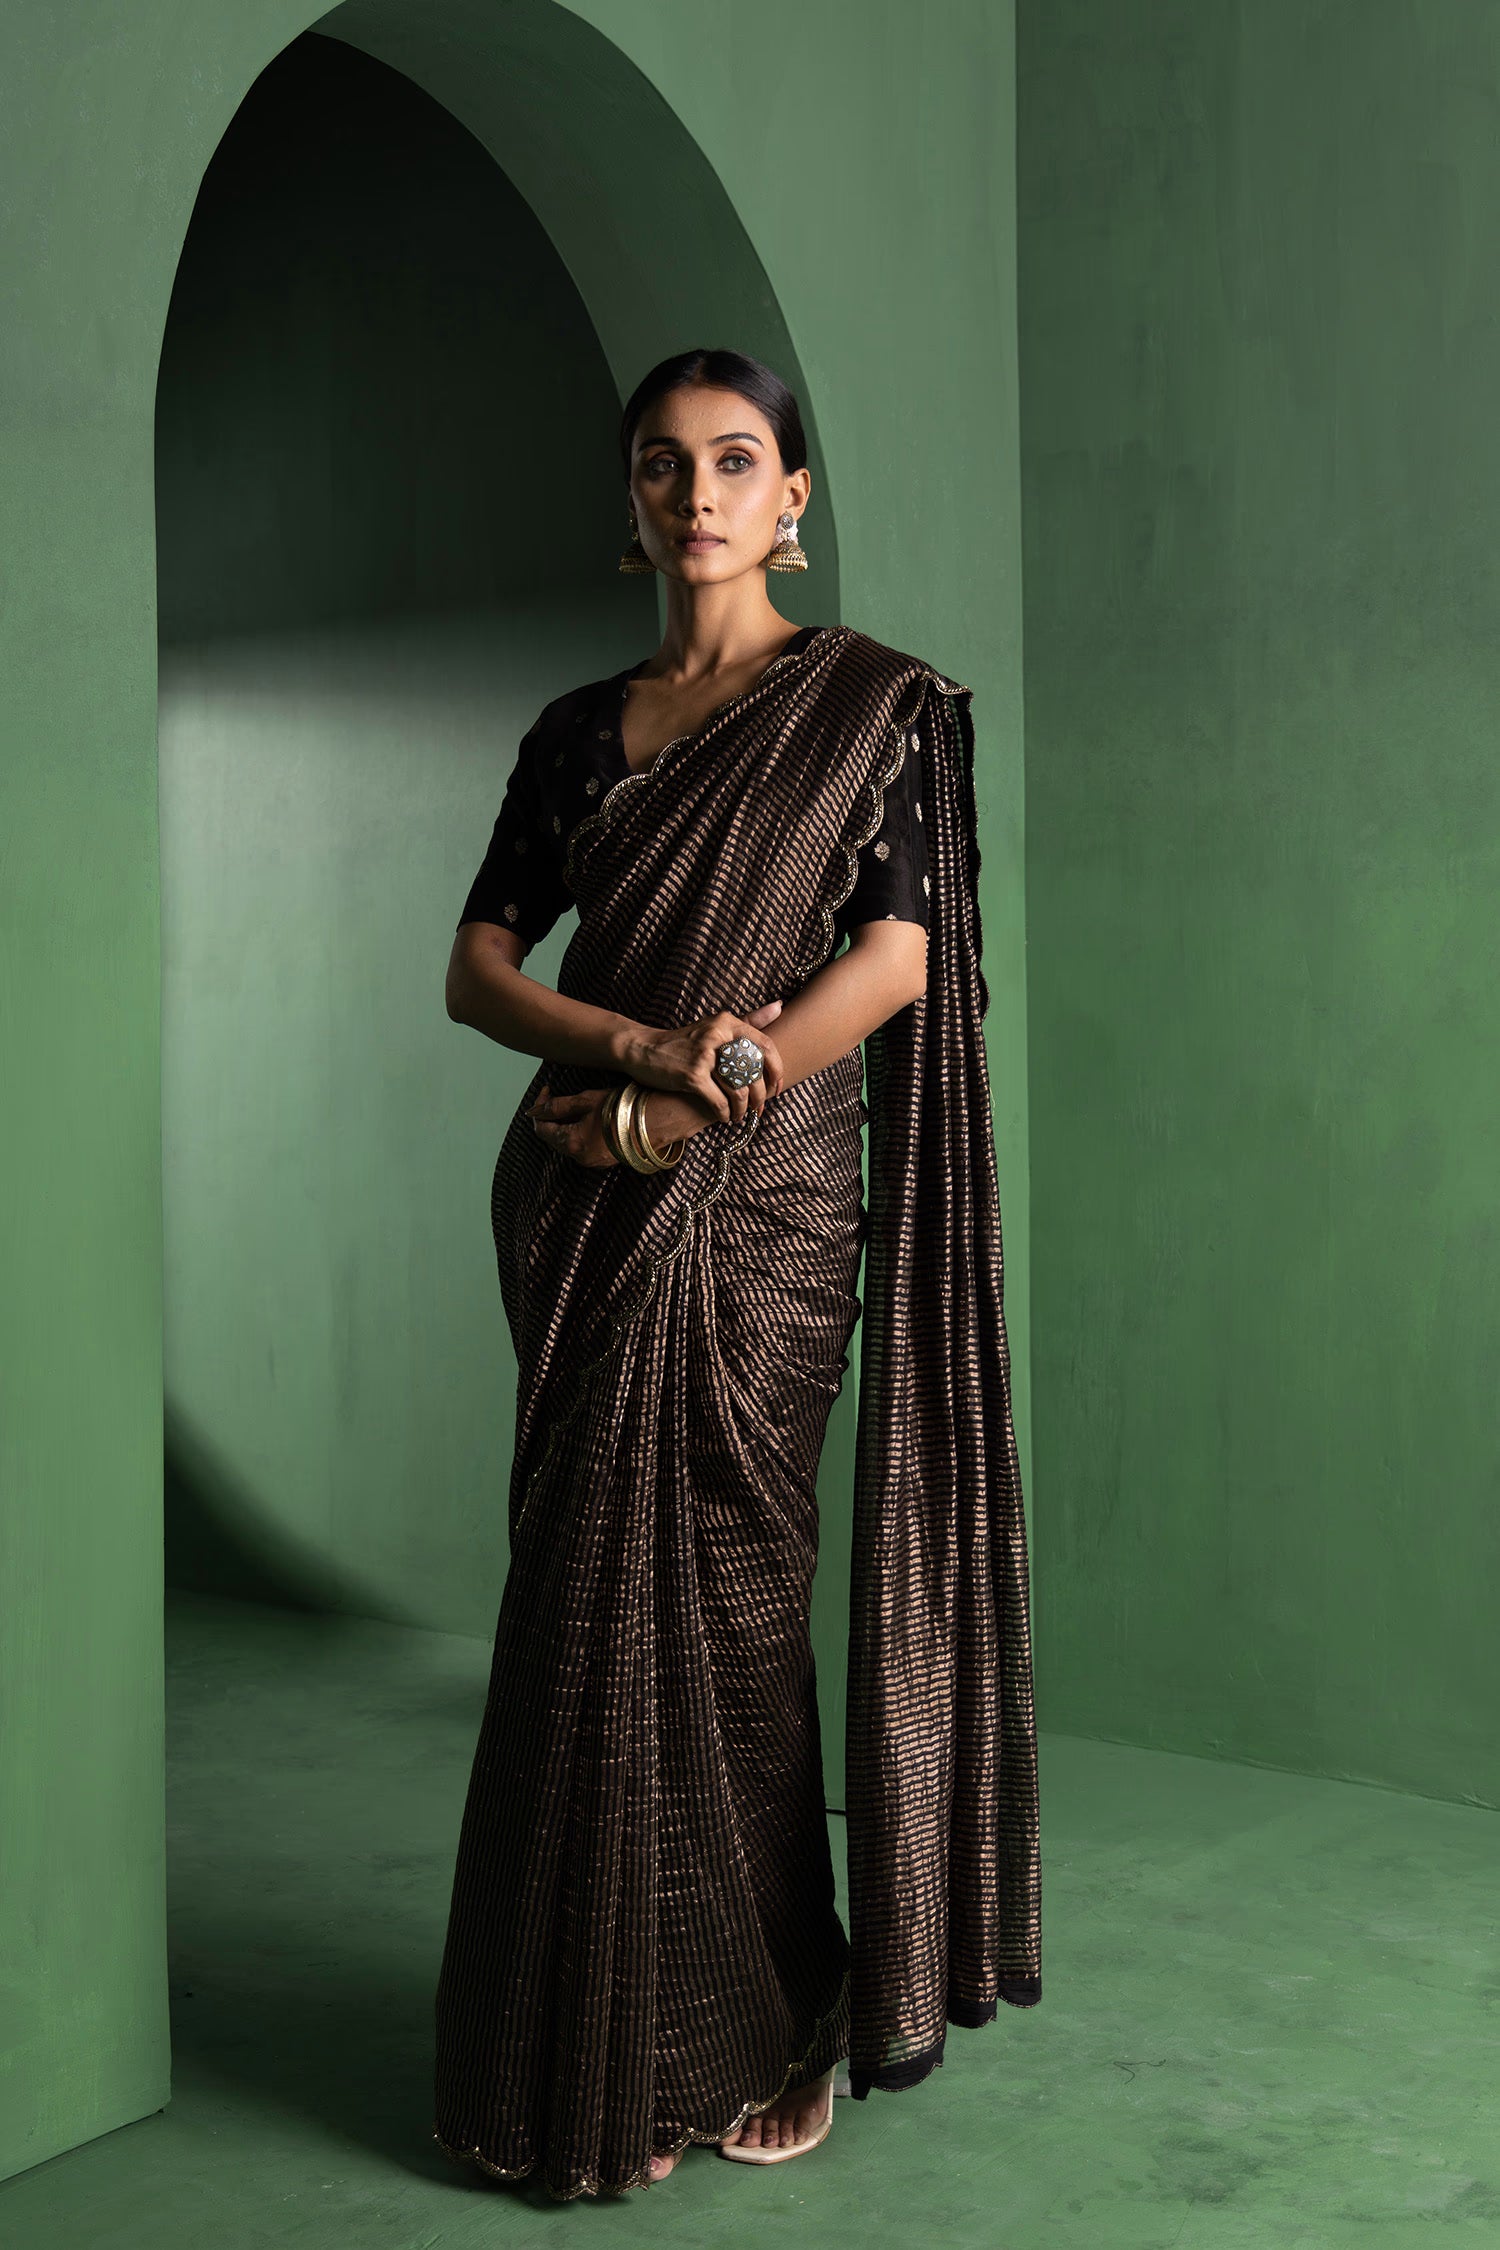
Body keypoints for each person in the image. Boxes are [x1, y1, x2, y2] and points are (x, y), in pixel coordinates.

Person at [431, 347, 1041, 2204]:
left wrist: (704, 1100)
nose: (695, 493)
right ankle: (600, 2040)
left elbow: (900, 957)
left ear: (792, 497)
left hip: (761, 1209)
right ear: (635, 502)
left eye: (734, 459)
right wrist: (635, 1057)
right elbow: (477, 966)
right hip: (584, 1204)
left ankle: (781, 2011)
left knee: (736, 1616)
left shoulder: (870, 708)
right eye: (661, 464)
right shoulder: (578, 733)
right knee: (578, 1610)